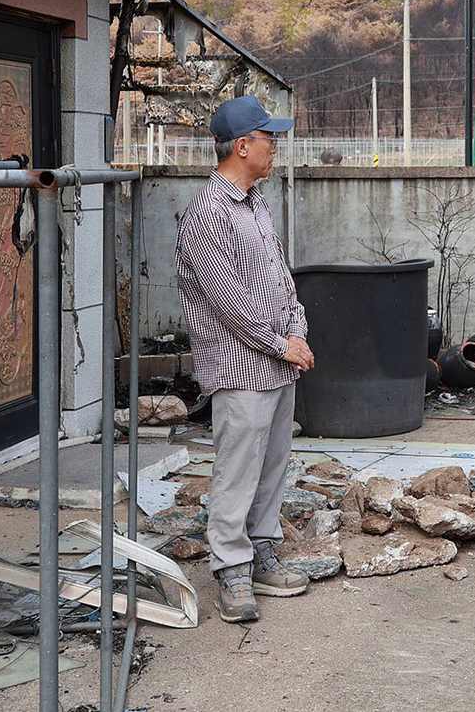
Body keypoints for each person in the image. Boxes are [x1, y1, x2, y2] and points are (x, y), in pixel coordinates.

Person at [175, 95, 315, 624]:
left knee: (272, 465)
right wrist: (282, 343)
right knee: (237, 469)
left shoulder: (255, 204)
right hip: (241, 369)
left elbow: (281, 281)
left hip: (278, 363)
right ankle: (231, 567)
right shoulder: (208, 214)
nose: (274, 146)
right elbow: (228, 299)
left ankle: (261, 552)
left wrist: (297, 333)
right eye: (268, 138)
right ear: (241, 146)